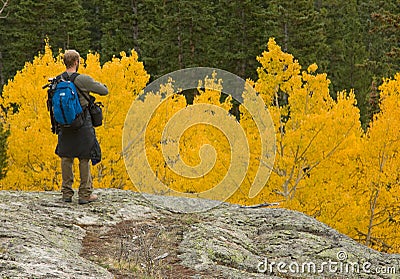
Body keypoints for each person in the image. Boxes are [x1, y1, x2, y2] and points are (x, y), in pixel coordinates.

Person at [56, 49, 108, 204]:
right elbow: (104, 91)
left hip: (64, 123)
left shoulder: (58, 80)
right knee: (84, 157)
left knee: (66, 156)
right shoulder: (82, 79)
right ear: (77, 62)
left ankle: (66, 193)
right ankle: (85, 194)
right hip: (82, 123)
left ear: (65, 62)